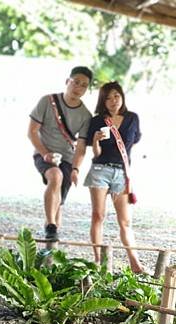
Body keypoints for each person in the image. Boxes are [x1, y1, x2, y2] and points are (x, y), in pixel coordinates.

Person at [72, 81, 143, 272]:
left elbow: (132, 143)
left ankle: (135, 263)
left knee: (125, 221)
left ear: (122, 97)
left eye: (116, 96)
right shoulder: (96, 121)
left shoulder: (132, 118)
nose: (113, 101)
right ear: (103, 101)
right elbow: (95, 154)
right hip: (100, 170)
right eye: (108, 98)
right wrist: (95, 141)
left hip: (121, 173)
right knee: (98, 216)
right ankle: (98, 262)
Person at [28, 66, 93, 241]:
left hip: (67, 158)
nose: (78, 88)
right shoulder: (47, 101)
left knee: (59, 203)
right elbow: (32, 131)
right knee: (55, 177)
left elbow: (81, 147)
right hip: (44, 153)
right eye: (76, 82)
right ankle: (50, 225)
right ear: (67, 81)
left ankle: (52, 237)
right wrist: (45, 153)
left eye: (84, 85)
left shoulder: (86, 115)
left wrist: (76, 169)